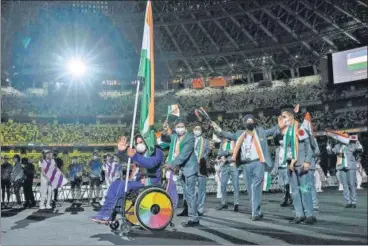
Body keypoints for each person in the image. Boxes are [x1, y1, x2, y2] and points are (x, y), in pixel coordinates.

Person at [211, 114, 282, 221]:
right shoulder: (239, 134)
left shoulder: (261, 131)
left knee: (255, 188)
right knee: (250, 189)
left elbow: (272, 131)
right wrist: (216, 127)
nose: (250, 122)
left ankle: (255, 213)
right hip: (246, 165)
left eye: (251, 120)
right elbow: (225, 134)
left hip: (259, 163)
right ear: (244, 123)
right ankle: (257, 210)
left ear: (254, 122)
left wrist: (280, 125)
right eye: (247, 121)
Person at [90, 135, 163, 223]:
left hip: (151, 181)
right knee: (115, 184)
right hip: (140, 181)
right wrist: (122, 151)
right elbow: (129, 158)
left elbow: (150, 164)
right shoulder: (139, 154)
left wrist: (134, 155)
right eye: (137, 143)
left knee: (122, 185)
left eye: (141, 142)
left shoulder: (156, 151)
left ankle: (109, 213)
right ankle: (104, 212)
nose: (139, 145)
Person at [278, 108, 314, 224]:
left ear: (291, 117)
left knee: (305, 190)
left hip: (301, 164)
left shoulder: (299, 128)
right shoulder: (286, 131)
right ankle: (299, 215)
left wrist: (307, 161)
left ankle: (309, 215)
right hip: (291, 165)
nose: (282, 119)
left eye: (284, 117)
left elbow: (309, 146)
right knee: (294, 192)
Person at [162, 118, 200, 227]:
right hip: (181, 170)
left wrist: (171, 164)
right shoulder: (174, 137)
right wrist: (164, 130)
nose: (180, 129)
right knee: (187, 194)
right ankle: (191, 214)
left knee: (190, 194)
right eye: (178, 127)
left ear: (185, 127)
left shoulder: (190, 138)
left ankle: (194, 218)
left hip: (189, 168)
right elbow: (164, 138)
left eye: (182, 126)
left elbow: (183, 155)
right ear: (175, 128)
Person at [327, 139, 363, 208]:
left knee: (352, 184)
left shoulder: (352, 145)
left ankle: (354, 201)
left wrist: (359, 145)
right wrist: (329, 147)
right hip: (341, 167)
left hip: (351, 167)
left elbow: (360, 151)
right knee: (345, 185)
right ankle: (348, 201)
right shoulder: (337, 146)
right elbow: (330, 153)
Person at [216, 138, 239, 212]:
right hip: (225, 166)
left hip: (233, 165)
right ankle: (224, 203)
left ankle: (236, 204)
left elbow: (237, 153)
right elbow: (219, 153)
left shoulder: (235, 143)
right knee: (223, 185)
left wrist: (227, 155)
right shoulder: (222, 143)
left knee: (236, 185)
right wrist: (228, 152)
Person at [193, 125, 210, 216]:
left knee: (201, 189)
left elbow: (207, 152)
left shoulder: (206, 141)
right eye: (196, 129)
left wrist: (202, 158)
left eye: (199, 129)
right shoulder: (190, 140)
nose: (197, 130)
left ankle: (200, 209)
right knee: (190, 189)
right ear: (193, 130)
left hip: (201, 167)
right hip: (191, 167)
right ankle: (191, 208)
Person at [273, 140, 293, 207]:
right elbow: (276, 160)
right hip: (280, 168)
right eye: (281, 142)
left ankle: (286, 198)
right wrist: (275, 168)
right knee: (281, 184)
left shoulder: (288, 149)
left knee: (286, 183)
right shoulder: (277, 150)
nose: (281, 143)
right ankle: (289, 196)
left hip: (286, 168)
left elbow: (290, 157)